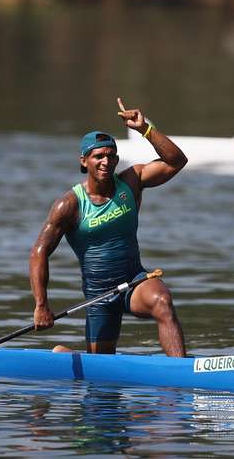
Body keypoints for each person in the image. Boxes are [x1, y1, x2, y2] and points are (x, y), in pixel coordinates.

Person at [29, 98, 187, 357]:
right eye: (98, 156)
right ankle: (63, 354)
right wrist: (41, 305)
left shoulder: (132, 181)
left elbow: (176, 161)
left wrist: (144, 128)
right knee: (100, 373)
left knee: (162, 302)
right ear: (84, 162)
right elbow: (39, 252)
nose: (106, 161)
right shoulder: (68, 205)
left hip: (134, 281)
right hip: (98, 296)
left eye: (111, 156)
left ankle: (182, 374)